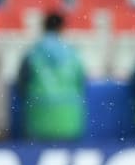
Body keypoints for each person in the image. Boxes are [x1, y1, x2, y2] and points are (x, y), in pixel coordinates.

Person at [16, 11, 86, 142]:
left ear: (43, 27)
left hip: (39, 118)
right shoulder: (73, 54)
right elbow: (81, 83)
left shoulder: (32, 53)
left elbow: (21, 85)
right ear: (62, 28)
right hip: (69, 118)